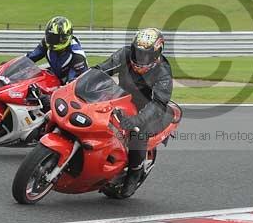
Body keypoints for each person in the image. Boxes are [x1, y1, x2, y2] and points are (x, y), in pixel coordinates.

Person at [95, 27, 173, 196]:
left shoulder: (163, 72)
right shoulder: (124, 54)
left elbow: (158, 103)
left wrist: (137, 120)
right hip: (120, 98)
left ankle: (134, 173)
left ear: (156, 54)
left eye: (145, 55)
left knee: (139, 136)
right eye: (137, 53)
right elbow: (102, 69)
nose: (140, 58)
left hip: (146, 108)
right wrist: (88, 78)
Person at [26, 16, 88, 84]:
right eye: (50, 37)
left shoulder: (77, 56)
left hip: (72, 84)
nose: (52, 41)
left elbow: (73, 83)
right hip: (56, 77)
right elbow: (30, 57)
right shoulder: (46, 43)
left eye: (56, 38)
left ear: (65, 37)